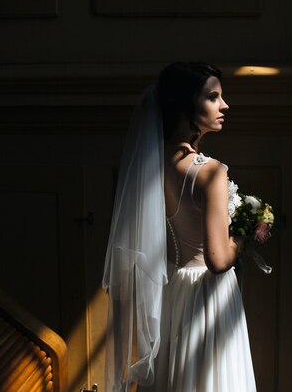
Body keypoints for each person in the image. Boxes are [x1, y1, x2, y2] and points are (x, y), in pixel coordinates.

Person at [102, 62, 256, 392]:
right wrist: (244, 229)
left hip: (173, 290)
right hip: (208, 298)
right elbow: (217, 261)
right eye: (213, 97)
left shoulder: (149, 165)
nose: (224, 105)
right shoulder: (211, 173)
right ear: (187, 105)